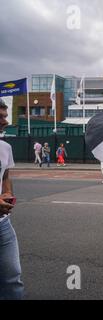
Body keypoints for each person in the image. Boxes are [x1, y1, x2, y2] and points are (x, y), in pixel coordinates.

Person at [0, 99, 24, 299]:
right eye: (0, 117)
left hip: (2, 226)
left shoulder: (5, 147)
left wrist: (6, 193)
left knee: (12, 279)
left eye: (5, 116)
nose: (5, 121)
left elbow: (5, 176)